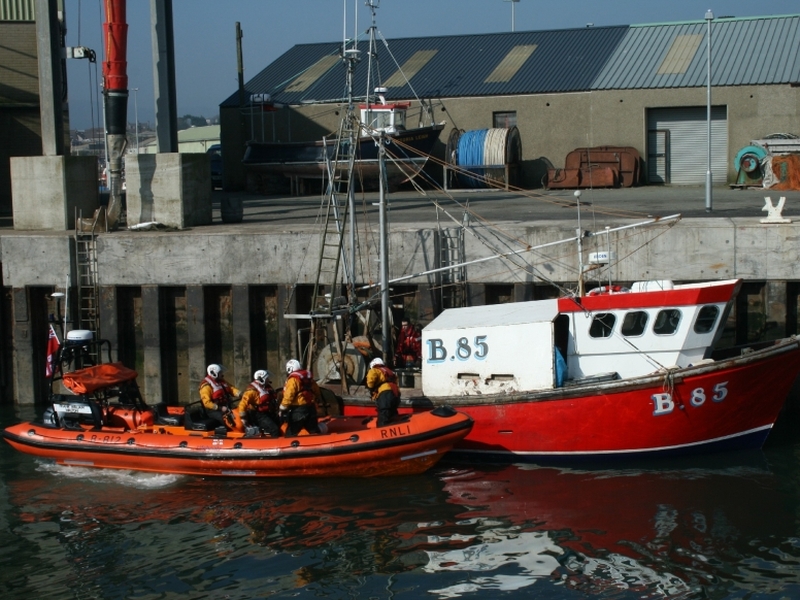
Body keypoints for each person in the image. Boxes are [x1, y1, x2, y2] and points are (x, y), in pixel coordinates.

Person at [279, 359, 322, 437]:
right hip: (310, 408)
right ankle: (319, 444)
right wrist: (318, 399)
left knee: (291, 432)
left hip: (298, 409)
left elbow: (289, 395)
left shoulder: (293, 380)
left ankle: (289, 447)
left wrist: (283, 407)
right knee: (313, 430)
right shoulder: (309, 378)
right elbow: (316, 390)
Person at [237, 369, 281, 437]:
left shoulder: (266, 387)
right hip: (258, 415)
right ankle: (274, 444)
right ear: (261, 379)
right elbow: (242, 404)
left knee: (281, 422)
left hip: (268, 412)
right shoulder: (252, 391)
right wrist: (243, 418)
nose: (268, 379)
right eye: (267, 378)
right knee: (274, 429)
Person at [199, 363, 240, 429]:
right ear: (214, 373)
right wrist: (220, 408)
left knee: (239, 413)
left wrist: (240, 394)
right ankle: (230, 431)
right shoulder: (206, 386)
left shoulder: (221, 381)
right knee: (228, 420)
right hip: (213, 410)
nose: (222, 374)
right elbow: (206, 403)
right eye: (220, 373)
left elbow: (231, 388)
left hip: (226, 406)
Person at [366, 357, 401, 426]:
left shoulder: (374, 370)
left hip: (385, 393)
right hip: (396, 393)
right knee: (392, 413)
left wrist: (370, 388)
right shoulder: (390, 372)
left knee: (384, 414)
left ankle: (382, 429)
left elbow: (370, 381)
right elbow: (396, 381)